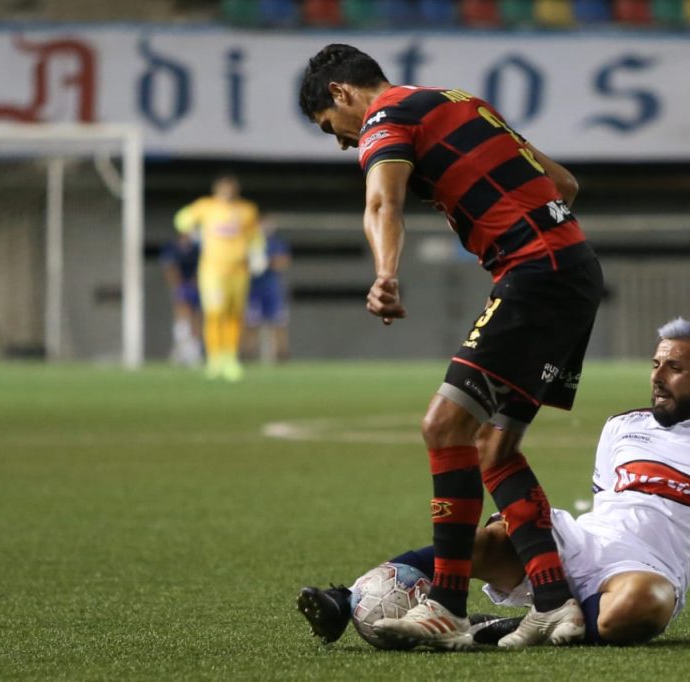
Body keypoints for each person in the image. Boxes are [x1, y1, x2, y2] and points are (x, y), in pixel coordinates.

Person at [297, 319, 690, 648]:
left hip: (644, 571)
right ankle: (346, 598)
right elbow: (606, 505)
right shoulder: (621, 426)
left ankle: (497, 627)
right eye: (656, 363)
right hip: (579, 542)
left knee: (643, 607)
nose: (658, 375)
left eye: (674, 367)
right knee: (480, 541)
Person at [298, 44, 604, 649]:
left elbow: (382, 201)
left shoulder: (386, 117)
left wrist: (386, 274)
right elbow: (564, 183)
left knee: (444, 427)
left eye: (333, 129)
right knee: (494, 447)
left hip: (534, 274)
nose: (343, 144)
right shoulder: (458, 100)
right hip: (573, 271)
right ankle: (552, 603)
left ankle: (445, 605)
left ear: (340, 93)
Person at [174, 174, 262, 382]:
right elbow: (181, 220)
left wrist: (258, 254)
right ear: (217, 190)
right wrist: (189, 226)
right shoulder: (206, 207)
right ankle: (214, 358)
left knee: (234, 314)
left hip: (239, 269)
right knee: (214, 313)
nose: (227, 192)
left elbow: (255, 235)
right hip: (212, 270)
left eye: (231, 188)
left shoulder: (247, 210)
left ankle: (229, 357)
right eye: (224, 188)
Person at [243, 216, 292, 363]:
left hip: (272, 289)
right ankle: (247, 356)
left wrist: (266, 262)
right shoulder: (249, 241)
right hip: (254, 290)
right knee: (251, 324)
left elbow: (284, 261)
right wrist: (252, 264)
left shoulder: (276, 242)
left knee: (279, 323)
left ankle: (282, 356)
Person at [159, 233, 203, 367]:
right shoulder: (172, 248)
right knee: (182, 316)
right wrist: (177, 286)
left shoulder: (197, 248)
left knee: (196, 317)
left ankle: (194, 352)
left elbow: (201, 267)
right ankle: (182, 349)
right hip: (181, 285)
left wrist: (195, 283)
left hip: (195, 285)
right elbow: (169, 269)